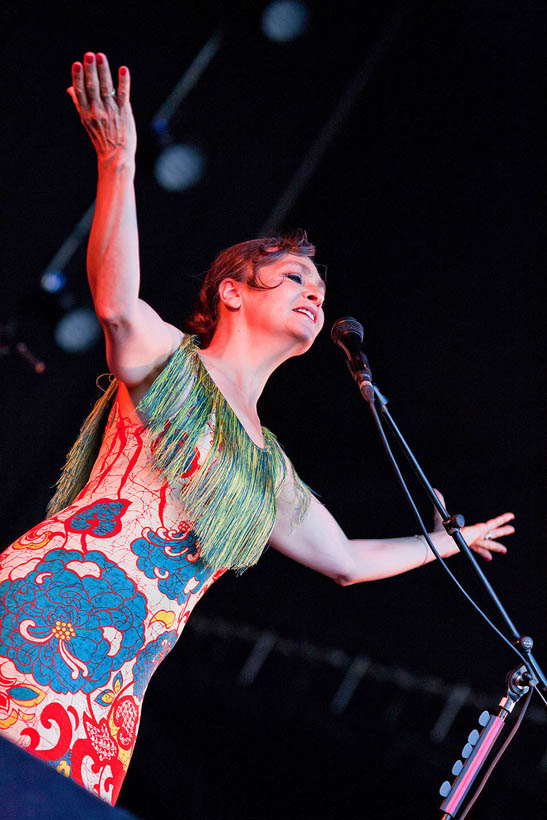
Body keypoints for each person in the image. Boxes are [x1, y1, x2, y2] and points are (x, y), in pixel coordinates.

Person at [0, 53, 515, 807]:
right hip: (53, 608)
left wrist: (449, 541)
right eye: (295, 279)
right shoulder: (170, 362)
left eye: (320, 287)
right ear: (232, 292)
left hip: (120, 678)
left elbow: (342, 557)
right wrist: (120, 161)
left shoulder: (265, 465)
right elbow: (115, 300)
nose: (314, 293)